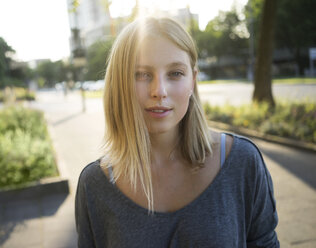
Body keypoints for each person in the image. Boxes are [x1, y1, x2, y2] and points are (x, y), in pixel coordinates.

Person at [75, 17, 279, 247]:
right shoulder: (94, 184)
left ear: (193, 80)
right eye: (142, 74)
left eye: (175, 73)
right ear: (119, 83)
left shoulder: (242, 161)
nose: (159, 91)